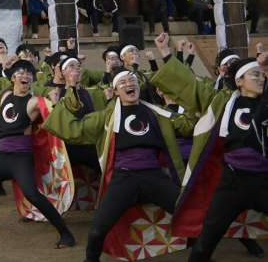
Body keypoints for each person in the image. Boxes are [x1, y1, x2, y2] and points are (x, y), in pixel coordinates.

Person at [45, 64, 194, 262]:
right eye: (122, 82)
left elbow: (188, 124)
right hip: (124, 178)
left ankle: (200, 254)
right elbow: (73, 129)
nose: (129, 84)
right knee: (97, 230)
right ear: (115, 91)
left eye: (132, 80)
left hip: (154, 176)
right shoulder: (107, 117)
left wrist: (185, 89)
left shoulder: (158, 114)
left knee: (190, 212)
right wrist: (69, 91)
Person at [151, 39, 268, 262]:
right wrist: (165, 52)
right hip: (232, 181)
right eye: (254, 75)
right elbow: (190, 86)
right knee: (206, 240)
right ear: (239, 81)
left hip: (263, 180)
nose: (260, 78)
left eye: (262, 75)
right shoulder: (221, 101)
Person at [0, 58, 75, 248]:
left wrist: (55, 99)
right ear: (13, 77)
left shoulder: (33, 102)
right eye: (21, 72)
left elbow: (49, 104)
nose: (25, 76)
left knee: (33, 195)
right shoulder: (5, 96)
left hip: (20, 158)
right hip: (1, 157)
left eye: (29, 73)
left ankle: (66, 234)